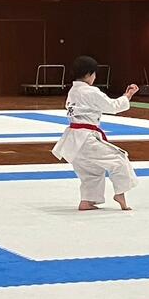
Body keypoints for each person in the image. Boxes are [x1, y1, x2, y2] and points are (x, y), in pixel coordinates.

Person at [52, 56, 139, 211]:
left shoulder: (73, 91)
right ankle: (120, 193)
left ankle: (87, 201)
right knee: (119, 159)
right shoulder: (90, 91)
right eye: (94, 74)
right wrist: (127, 96)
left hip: (73, 141)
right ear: (88, 74)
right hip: (86, 139)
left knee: (91, 171)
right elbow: (113, 106)